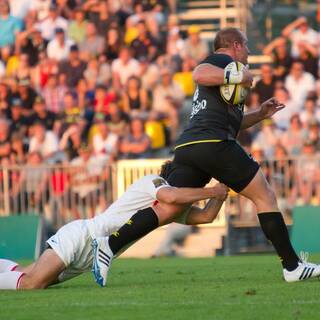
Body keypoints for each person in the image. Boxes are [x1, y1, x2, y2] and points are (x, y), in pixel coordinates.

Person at [100, 28, 320, 284]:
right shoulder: (224, 60)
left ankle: (110, 246)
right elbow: (198, 73)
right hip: (214, 144)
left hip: (190, 146)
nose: (249, 51)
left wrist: (260, 114)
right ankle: (292, 266)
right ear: (235, 45)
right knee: (265, 195)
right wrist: (237, 74)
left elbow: (230, 123)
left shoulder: (227, 80)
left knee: (170, 208)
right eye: (246, 45)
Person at [0, 162, 228, 289]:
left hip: (88, 260)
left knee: (24, 274)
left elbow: (207, 216)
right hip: (83, 237)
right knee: (32, 284)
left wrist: (222, 187)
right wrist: (210, 191)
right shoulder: (155, 182)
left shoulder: (172, 208)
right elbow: (171, 195)